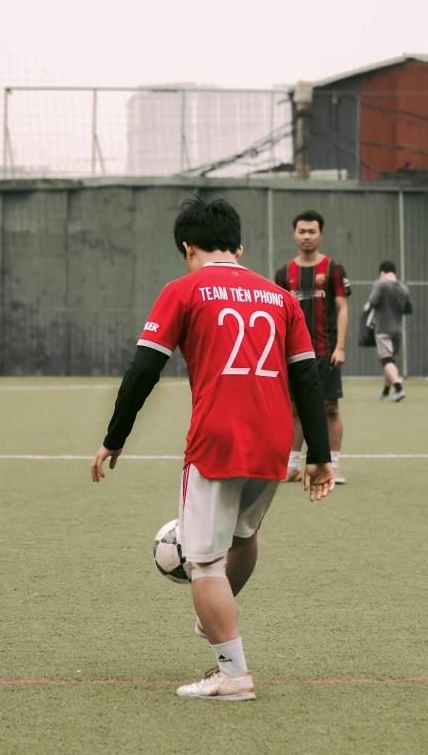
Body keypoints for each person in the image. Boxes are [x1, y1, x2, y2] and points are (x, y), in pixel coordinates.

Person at [90, 198, 334, 701]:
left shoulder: (182, 290)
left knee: (202, 563)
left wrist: (114, 437)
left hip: (217, 441)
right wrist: (317, 453)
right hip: (273, 442)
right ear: (238, 246)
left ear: (187, 246)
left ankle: (233, 674)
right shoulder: (279, 295)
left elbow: (143, 369)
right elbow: (308, 378)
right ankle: (215, 618)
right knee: (243, 538)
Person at [276, 210, 351, 485]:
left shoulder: (333, 269)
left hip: (325, 350)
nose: (307, 236)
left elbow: (343, 309)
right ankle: (293, 464)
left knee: (330, 407)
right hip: (295, 353)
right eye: (302, 231)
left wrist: (340, 347)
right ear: (294, 234)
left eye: (312, 231)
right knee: (295, 408)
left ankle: (334, 464)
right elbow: (280, 314)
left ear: (321, 235)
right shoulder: (284, 273)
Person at [366, 261, 413, 402]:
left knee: (386, 360)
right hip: (398, 331)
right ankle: (386, 392)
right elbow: (409, 309)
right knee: (390, 361)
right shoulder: (404, 288)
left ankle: (398, 389)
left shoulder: (380, 284)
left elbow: (372, 302)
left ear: (382, 272)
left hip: (383, 329)